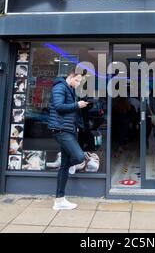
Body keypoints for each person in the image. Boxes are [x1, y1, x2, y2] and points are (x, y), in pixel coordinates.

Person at [48, 69, 88, 210]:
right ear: (70, 77)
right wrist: (77, 105)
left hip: (67, 130)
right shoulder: (60, 87)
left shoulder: (69, 89)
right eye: (77, 80)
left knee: (65, 166)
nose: (78, 83)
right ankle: (60, 200)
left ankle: (59, 200)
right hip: (61, 130)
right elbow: (59, 107)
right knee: (79, 157)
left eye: (80, 81)